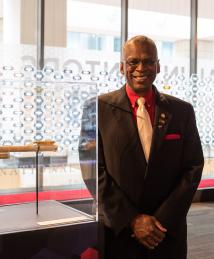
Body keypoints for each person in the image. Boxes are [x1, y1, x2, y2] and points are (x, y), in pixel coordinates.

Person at [98, 35, 204, 259]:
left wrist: (160, 221)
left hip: (166, 233)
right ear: (121, 67)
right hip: (120, 233)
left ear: (157, 66)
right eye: (133, 62)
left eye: (148, 61)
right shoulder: (99, 108)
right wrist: (132, 220)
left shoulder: (182, 111)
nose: (140, 68)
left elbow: (193, 166)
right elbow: (93, 169)